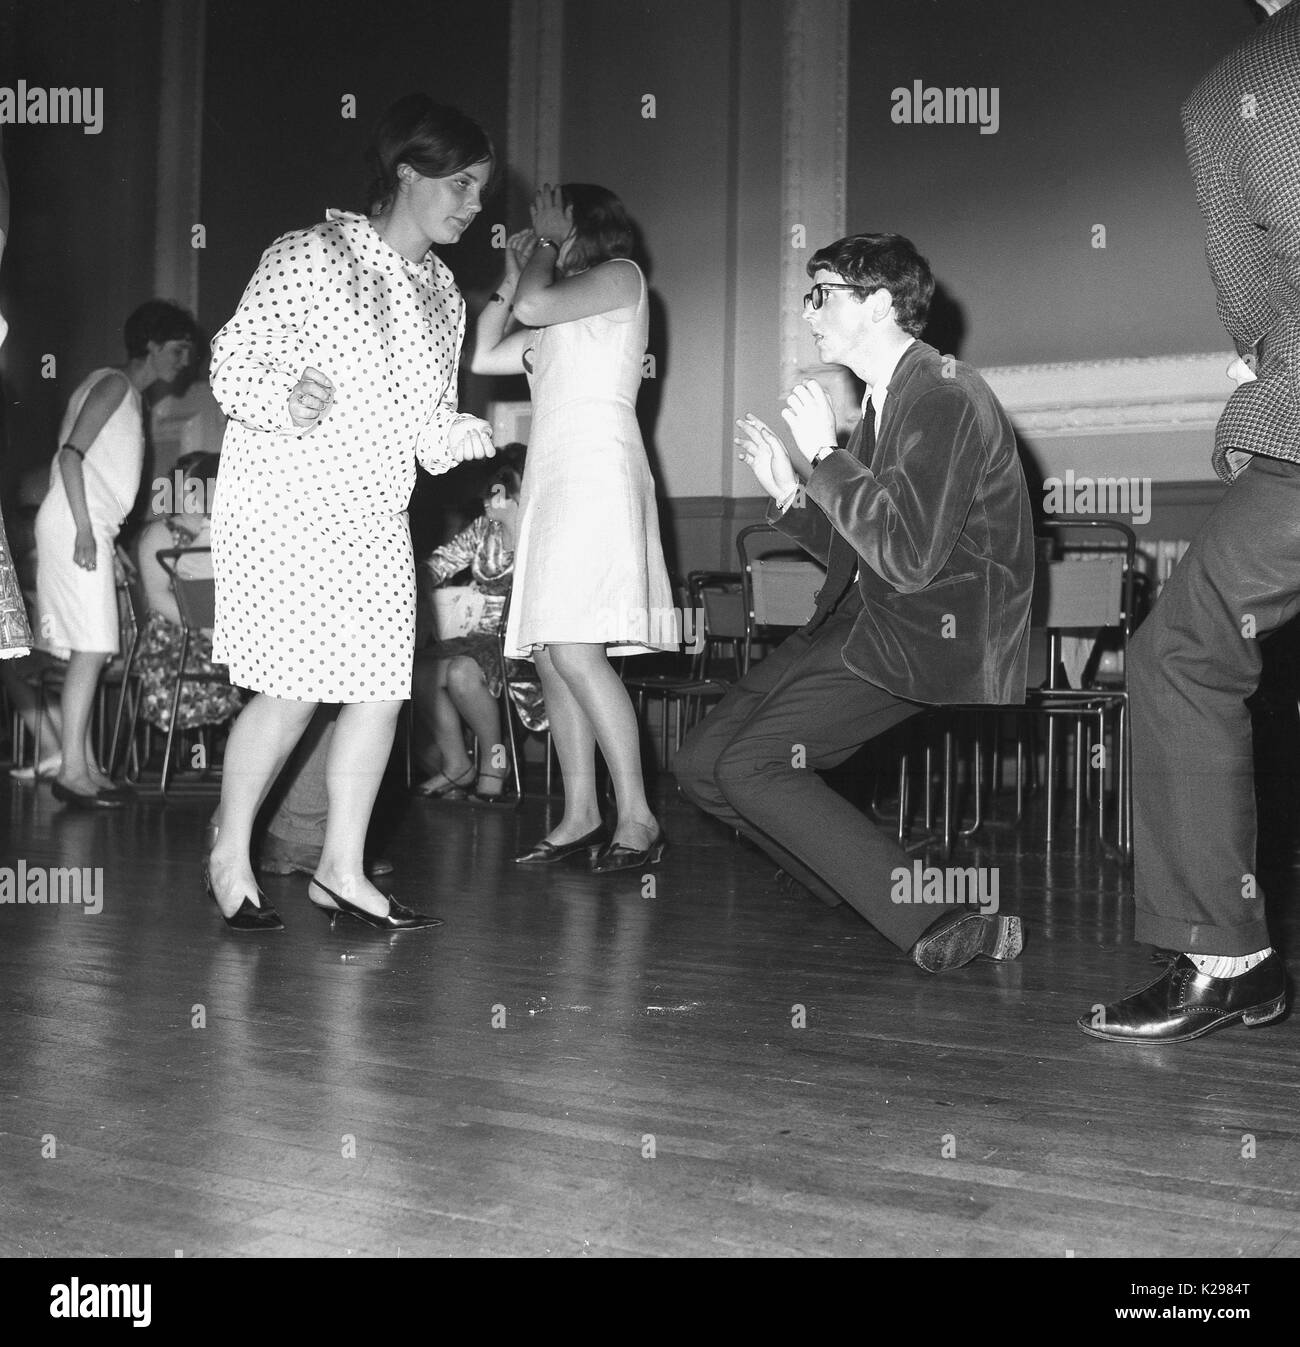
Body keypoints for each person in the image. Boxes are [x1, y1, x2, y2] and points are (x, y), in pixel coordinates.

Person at [675, 233, 1036, 972]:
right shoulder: (888, 396)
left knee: (754, 766)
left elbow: (906, 554)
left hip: (930, 628)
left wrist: (826, 458)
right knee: (704, 762)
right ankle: (860, 883)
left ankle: (936, 914)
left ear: (877, 303)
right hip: (871, 614)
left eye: (822, 293)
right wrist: (789, 490)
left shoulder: (943, 393)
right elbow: (864, 544)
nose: (808, 312)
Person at [204, 94, 496, 934]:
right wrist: (283, 395)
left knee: (378, 692)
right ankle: (231, 853)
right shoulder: (311, 252)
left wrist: (457, 433)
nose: (475, 207)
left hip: (374, 514)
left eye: (480, 190)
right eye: (463, 185)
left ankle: (341, 866)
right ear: (408, 171)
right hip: (287, 501)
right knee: (294, 692)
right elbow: (232, 362)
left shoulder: (444, 293)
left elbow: (426, 422)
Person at [1081, 0, 1298, 1043]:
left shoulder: (1238, 88)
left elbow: (1254, 301)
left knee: (1181, 656)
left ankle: (1227, 957)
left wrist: (1271, 359)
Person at [471, 183, 676, 872]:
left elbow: (535, 303)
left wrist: (548, 249)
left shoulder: (621, 279)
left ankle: (640, 815)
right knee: (553, 652)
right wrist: (511, 271)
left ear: (581, 226)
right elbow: (485, 353)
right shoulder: (557, 315)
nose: (540, 235)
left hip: (597, 472)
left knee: (578, 650)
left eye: (551, 225)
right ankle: (582, 811)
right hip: (552, 481)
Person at [33, 300, 196, 808]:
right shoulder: (115, 385)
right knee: (93, 647)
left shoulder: (128, 396)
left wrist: (105, 539)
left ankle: (85, 768)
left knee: (94, 646)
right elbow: (71, 456)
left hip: (88, 524)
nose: (184, 360)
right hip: (74, 521)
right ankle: (73, 774)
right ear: (149, 346)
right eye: (177, 349)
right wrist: (85, 529)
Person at [411, 444, 545, 804]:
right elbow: (439, 562)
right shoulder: (482, 530)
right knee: (420, 674)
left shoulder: (540, 533)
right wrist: (415, 582)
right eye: (489, 492)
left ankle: (495, 762)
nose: (489, 499)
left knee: (460, 674)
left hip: (522, 641)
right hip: (474, 635)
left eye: (500, 492)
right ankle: (457, 763)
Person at [132, 451, 244, 736]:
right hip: (178, 634)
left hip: (217, 628)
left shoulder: (222, 530)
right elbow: (158, 598)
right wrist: (207, 630)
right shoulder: (162, 532)